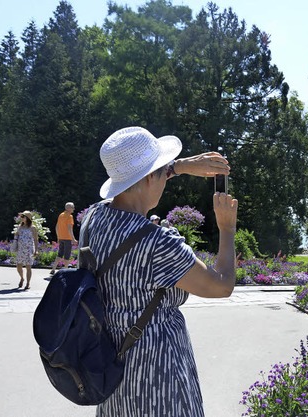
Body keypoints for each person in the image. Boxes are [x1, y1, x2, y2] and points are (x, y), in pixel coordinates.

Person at [85, 126, 237, 416]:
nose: (165, 180)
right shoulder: (157, 243)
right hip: (159, 373)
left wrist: (178, 167)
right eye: (161, 172)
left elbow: (139, 181)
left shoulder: (94, 218)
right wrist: (226, 228)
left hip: (112, 369)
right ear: (148, 178)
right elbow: (222, 286)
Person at [49, 202, 77, 275]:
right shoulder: (70, 216)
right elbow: (69, 229)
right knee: (67, 255)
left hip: (61, 238)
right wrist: (73, 239)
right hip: (68, 238)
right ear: (69, 208)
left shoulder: (61, 215)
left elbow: (57, 227)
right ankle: (66, 270)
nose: (74, 209)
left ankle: (53, 269)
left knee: (60, 254)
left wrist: (58, 237)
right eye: (73, 207)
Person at [14, 211, 39, 290]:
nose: (21, 218)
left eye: (23, 216)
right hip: (20, 249)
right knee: (18, 266)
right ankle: (22, 278)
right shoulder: (20, 227)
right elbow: (17, 236)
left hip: (29, 249)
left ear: (27, 218)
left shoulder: (33, 227)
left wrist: (36, 250)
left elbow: (35, 239)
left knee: (28, 266)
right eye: (21, 217)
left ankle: (28, 283)